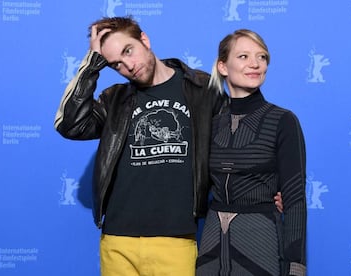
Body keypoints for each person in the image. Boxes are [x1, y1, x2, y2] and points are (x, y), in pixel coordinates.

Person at [54, 16, 283, 276]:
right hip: (117, 240)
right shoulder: (114, 100)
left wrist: (270, 187)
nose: (128, 65)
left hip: (176, 239)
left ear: (144, 40)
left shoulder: (202, 89)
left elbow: (237, 141)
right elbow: (69, 125)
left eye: (129, 51)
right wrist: (92, 64)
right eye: (116, 63)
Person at [196, 29, 307, 276]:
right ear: (223, 67)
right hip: (211, 247)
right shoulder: (210, 124)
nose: (255, 64)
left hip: (262, 245)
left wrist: (295, 267)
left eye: (262, 57)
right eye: (244, 56)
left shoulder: (283, 121)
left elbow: (295, 201)